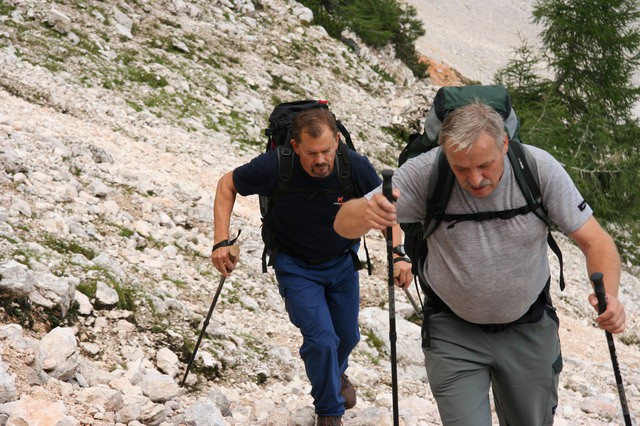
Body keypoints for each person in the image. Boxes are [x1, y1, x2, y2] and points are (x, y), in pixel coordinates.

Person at [333, 102, 627, 425]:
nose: (475, 179)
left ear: (504, 144)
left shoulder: (537, 169)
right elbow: (342, 223)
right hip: (452, 331)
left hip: (527, 326)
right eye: (461, 168)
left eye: (485, 165)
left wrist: (609, 295)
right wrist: (366, 213)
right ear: (446, 153)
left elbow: (595, 241)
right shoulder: (427, 172)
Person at [211, 107, 413, 425]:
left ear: (336, 142)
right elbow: (227, 186)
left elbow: (386, 208)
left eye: (327, 151)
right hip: (295, 264)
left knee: (347, 337)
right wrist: (221, 241)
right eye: (312, 153)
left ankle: (335, 375)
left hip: (343, 263)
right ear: (295, 147)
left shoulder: (354, 166)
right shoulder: (276, 164)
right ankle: (329, 412)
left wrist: (398, 253)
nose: (320, 160)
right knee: (321, 340)